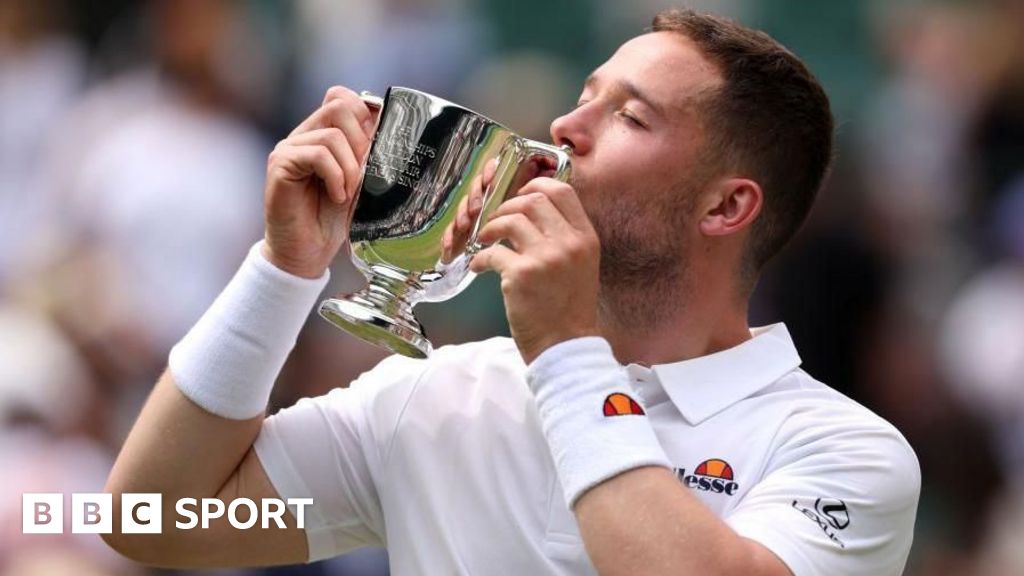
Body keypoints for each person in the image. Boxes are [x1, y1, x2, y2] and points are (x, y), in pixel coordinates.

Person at [102, 9, 920, 576]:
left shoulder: (845, 451)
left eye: (630, 118)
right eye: (584, 97)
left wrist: (568, 355)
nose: (567, 128)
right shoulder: (438, 394)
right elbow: (155, 518)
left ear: (727, 206)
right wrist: (285, 268)